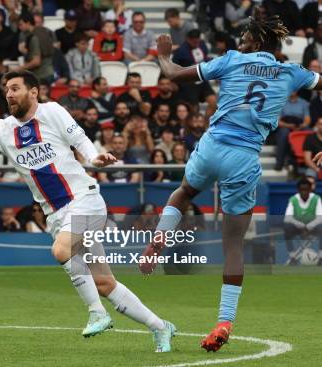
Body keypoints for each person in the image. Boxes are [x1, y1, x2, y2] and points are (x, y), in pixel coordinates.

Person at [143, 8, 322, 352]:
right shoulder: (291, 72)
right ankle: (224, 320)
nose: (239, 41)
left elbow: (175, 74)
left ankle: (160, 238)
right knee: (233, 245)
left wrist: (164, 55)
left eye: (244, 37)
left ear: (254, 39)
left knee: (183, 193)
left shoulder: (231, 60)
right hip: (243, 157)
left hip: (213, 144)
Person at [0, 70, 176, 351]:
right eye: (7, 90)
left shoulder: (51, 112)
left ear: (34, 91)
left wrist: (93, 157)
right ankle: (161, 327)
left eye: (15, 88)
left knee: (61, 251)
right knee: (104, 283)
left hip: (84, 199)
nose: (9, 94)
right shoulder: (3, 131)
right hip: (55, 215)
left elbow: (79, 138)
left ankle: (97, 313)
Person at [283, 178, 322, 265]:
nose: (304, 192)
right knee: (287, 227)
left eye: (306, 189)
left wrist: (308, 227)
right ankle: (293, 257)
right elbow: (287, 218)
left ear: (310, 189)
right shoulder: (293, 199)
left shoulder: (317, 199)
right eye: (302, 190)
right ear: (298, 190)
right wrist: (301, 226)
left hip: (313, 227)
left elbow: (320, 217)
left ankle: (321, 257)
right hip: (298, 228)